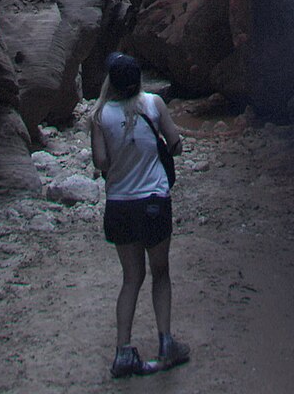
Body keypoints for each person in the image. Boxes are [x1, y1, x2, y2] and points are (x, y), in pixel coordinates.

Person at [91, 52, 191, 378]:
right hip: (153, 202)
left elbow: (101, 163)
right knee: (160, 272)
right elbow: (175, 143)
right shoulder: (154, 104)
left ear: (110, 81)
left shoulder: (100, 114)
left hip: (119, 205)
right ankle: (166, 344)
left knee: (131, 278)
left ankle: (123, 353)